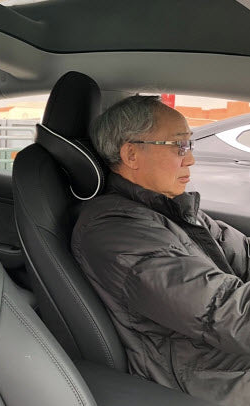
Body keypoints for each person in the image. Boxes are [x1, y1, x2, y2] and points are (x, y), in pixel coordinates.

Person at [72, 95, 250, 406]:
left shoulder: (168, 209)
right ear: (131, 153)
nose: (190, 159)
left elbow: (241, 252)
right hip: (202, 377)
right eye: (179, 145)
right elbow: (222, 312)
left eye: (190, 145)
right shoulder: (116, 232)